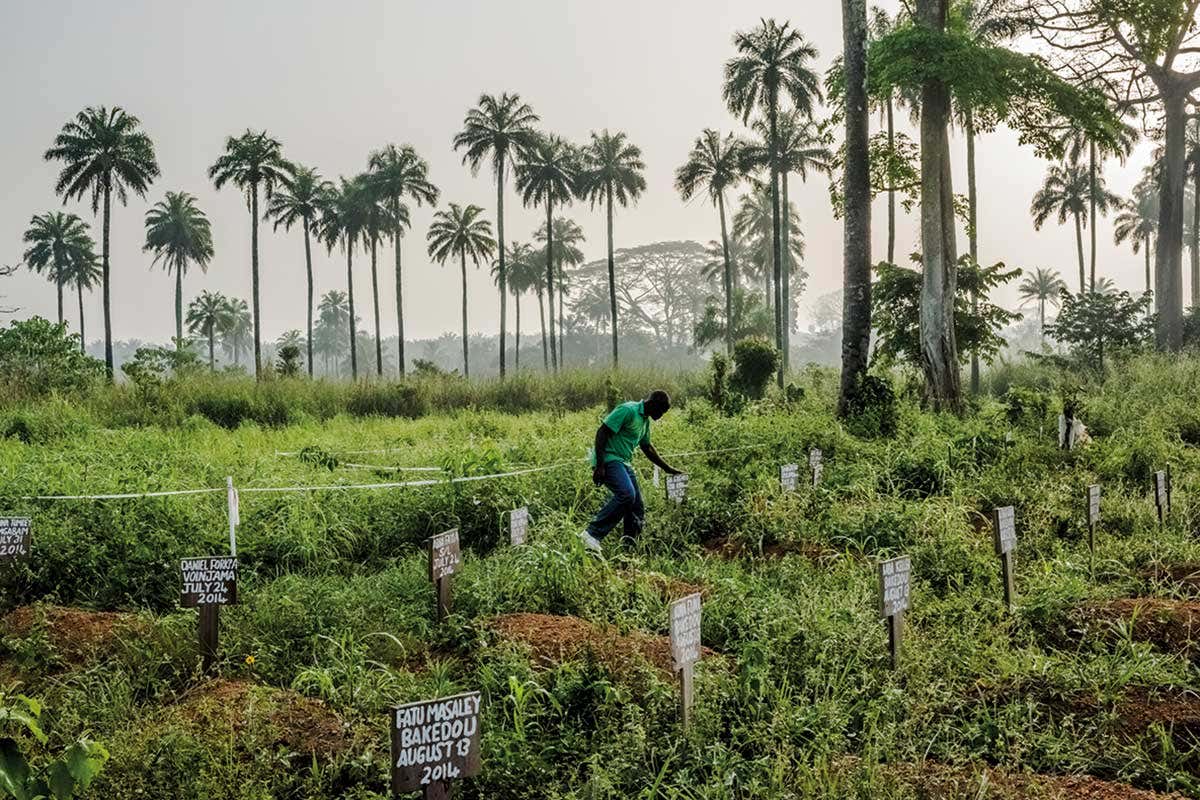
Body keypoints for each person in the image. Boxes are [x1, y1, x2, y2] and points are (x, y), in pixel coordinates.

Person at [579, 390, 681, 553]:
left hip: (624, 462)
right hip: (609, 459)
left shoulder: (645, 421)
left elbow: (647, 447)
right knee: (627, 494)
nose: (661, 415)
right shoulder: (628, 410)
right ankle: (591, 535)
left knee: (636, 507)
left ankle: (629, 549)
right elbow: (602, 432)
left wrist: (667, 468)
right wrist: (599, 465)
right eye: (661, 411)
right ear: (653, 404)